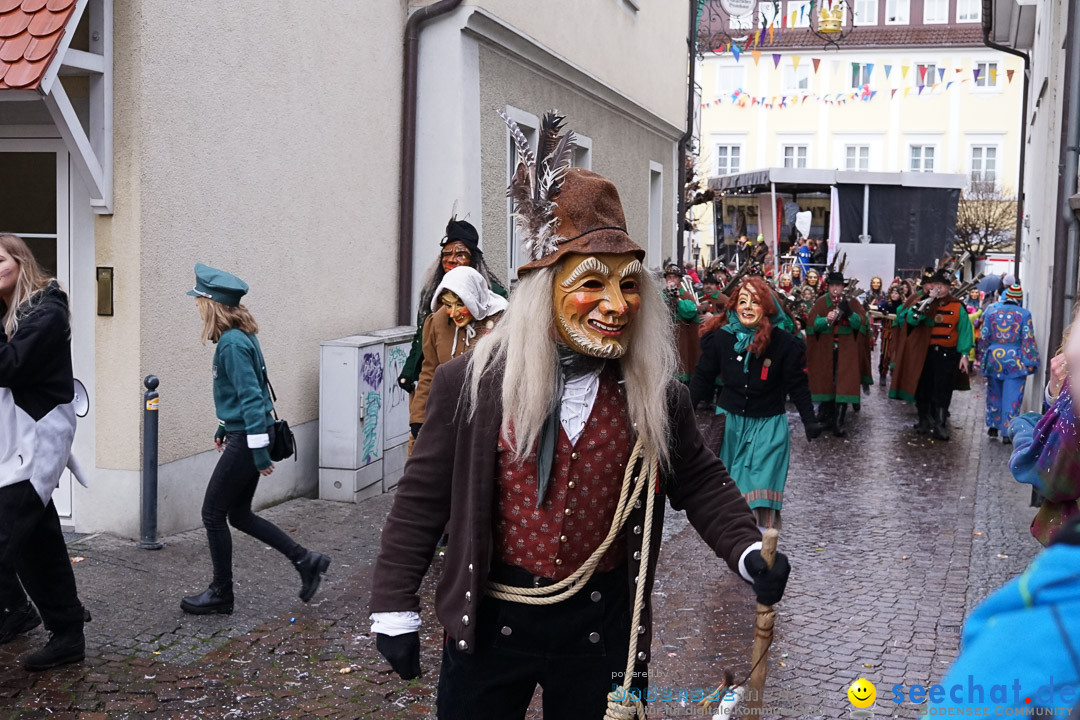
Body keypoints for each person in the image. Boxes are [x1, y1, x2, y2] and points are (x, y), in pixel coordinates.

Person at [369, 117, 789, 720]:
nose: (618, 306)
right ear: (545, 287)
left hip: (602, 627)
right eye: (593, 282)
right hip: (492, 619)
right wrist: (393, 604)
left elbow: (699, 480)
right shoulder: (476, 385)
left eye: (629, 285)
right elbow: (422, 497)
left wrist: (748, 550)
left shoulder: (654, 395)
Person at [181, 264, 330, 615]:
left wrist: (259, 452)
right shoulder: (240, 336)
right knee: (239, 514)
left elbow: (251, 398)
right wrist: (223, 425)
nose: (197, 307)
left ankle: (221, 592)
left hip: (248, 438)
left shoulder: (231, 344)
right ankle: (305, 559)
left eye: (199, 300)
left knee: (212, 513)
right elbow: (248, 394)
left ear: (211, 304)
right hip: (243, 433)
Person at [0, 234, 89, 671]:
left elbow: (8, 366)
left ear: (20, 261)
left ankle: (25, 613)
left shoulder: (46, 311)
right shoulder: (14, 311)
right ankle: (64, 630)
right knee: (39, 541)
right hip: (16, 443)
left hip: (34, 444)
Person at [689, 277, 822, 530]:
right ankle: (740, 547)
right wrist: (685, 410)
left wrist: (809, 419)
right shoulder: (721, 339)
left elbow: (797, 384)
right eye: (742, 301)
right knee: (732, 491)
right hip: (730, 425)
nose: (748, 307)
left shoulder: (783, 343)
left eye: (755, 302)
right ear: (734, 306)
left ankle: (761, 546)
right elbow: (702, 377)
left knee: (761, 492)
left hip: (768, 427)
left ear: (768, 307)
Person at [397, 217, 507, 397]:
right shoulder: (432, 292)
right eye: (447, 254)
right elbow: (422, 335)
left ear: (473, 259)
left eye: (460, 254)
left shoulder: (492, 295)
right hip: (434, 376)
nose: (452, 260)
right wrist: (409, 371)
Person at [409, 265, 507, 439]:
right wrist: (419, 418)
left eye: (460, 304)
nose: (453, 313)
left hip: (487, 420)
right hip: (446, 416)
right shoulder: (437, 322)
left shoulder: (502, 321)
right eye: (448, 305)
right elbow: (429, 372)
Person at [889, 267, 973, 440]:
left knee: (943, 389)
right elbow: (911, 319)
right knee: (923, 387)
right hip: (924, 353)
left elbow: (965, 330)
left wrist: (964, 354)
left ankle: (940, 424)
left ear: (949, 287)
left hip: (946, 354)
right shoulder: (922, 301)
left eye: (943, 285)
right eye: (936, 285)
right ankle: (923, 419)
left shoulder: (958, 306)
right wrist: (926, 303)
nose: (939, 288)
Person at [805, 271, 869, 436]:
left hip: (846, 350)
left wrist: (849, 312)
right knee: (827, 381)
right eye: (832, 285)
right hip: (826, 350)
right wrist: (826, 320)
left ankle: (839, 421)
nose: (835, 288)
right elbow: (812, 326)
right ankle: (825, 417)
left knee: (844, 383)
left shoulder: (853, 302)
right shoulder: (821, 303)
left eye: (838, 285)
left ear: (843, 287)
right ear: (828, 287)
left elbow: (860, 325)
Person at [978, 284, 1040, 442]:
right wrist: (1031, 361)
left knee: (994, 393)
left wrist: (983, 356)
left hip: (994, 358)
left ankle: (993, 426)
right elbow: (1028, 339)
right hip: (1015, 361)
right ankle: (1007, 432)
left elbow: (983, 337)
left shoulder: (991, 312)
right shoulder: (1024, 314)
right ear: (1019, 299)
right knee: (1012, 396)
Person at [664, 262, 702, 383]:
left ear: (679, 279)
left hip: (683, 340)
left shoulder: (686, 295)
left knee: (682, 366)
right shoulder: (662, 295)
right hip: (667, 338)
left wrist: (677, 299)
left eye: (674, 277)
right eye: (669, 277)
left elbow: (689, 312)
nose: (671, 280)